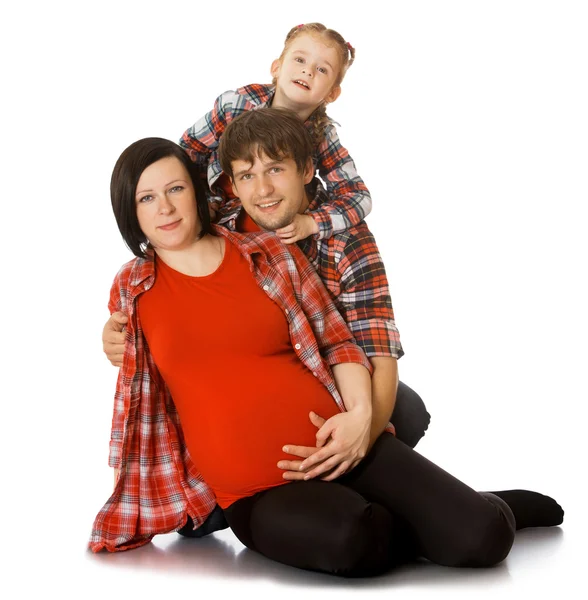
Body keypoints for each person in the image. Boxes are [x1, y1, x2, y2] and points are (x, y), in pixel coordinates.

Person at [90, 137, 563, 577]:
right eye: (146, 198)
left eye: (175, 188)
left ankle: (479, 509)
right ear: (130, 212)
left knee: (483, 537)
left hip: (342, 447)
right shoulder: (132, 287)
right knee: (355, 538)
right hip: (256, 493)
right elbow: (130, 359)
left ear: (198, 191)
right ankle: (431, 516)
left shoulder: (267, 253)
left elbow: (338, 341)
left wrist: (359, 417)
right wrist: (107, 337)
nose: (166, 207)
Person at [102, 109, 432, 537]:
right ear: (231, 185)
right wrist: (113, 337)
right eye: (246, 175)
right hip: (239, 459)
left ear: (306, 171)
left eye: (276, 169)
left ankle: (379, 490)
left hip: (335, 389)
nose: (263, 188)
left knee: (405, 408)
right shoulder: (204, 238)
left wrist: (359, 436)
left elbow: (370, 350)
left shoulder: (340, 242)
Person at [180, 22, 370, 244]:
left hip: (270, 219)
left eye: (322, 69)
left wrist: (313, 223)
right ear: (276, 68)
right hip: (218, 209)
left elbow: (357, 195)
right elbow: (189, 149)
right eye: (300, 60)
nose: (308, 71)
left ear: (332, 94)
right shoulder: (237, 104)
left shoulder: (322, 135)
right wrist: (200, 200)